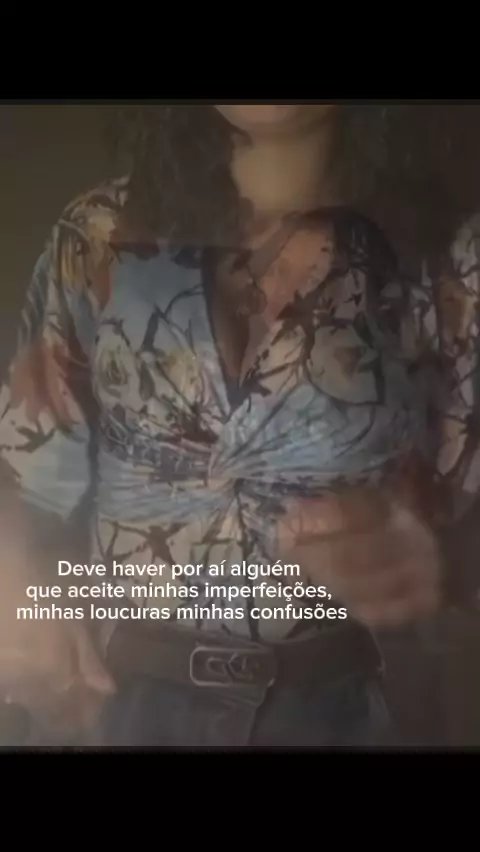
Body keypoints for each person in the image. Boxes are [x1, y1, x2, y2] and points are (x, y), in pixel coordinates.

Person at [0, 102, 479, 747]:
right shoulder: (97, 236)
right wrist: (25, 600)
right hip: (121, 703)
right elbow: (24, 474)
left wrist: (430, 563)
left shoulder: (446, 259)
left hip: (343, 710)